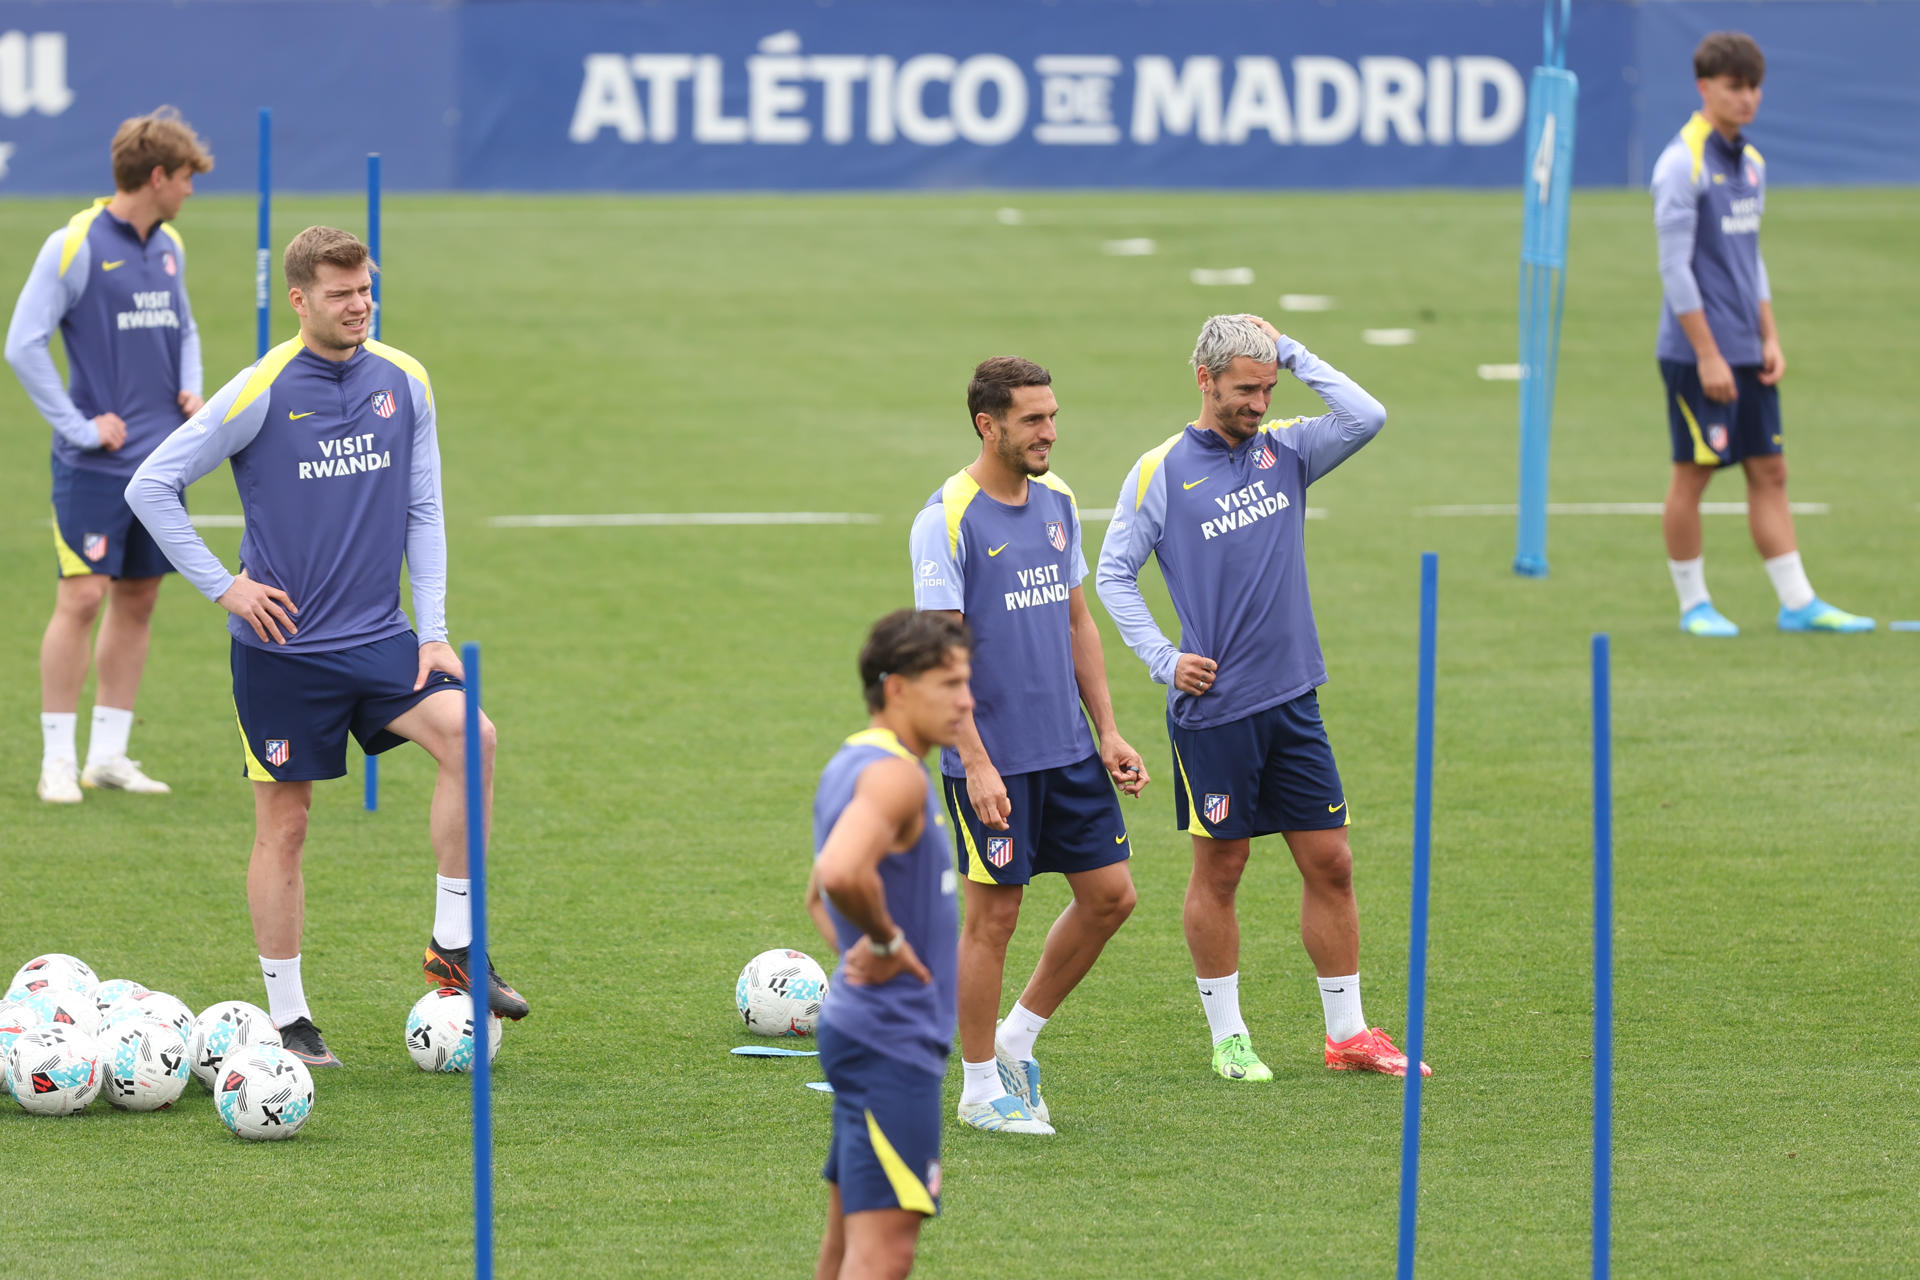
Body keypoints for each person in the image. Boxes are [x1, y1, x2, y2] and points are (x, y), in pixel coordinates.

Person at [125, 226, 527, 1068]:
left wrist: (436, 628)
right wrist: (224, 586)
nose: (359, 306)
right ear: (301, 298)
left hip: (384, 639)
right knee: (288, 825)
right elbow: (151, 484)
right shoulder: (260, 389)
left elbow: (425, 510)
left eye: (367, 291)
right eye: (342, 294)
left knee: (474, 737)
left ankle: (453, 943)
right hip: (284, 653)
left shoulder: (404, 380)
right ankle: (289, 1016)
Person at [1096, 313, 1427, 1082]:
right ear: (1204, 381)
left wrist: (1296, 352)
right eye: (1246, 389)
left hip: (1294, 700)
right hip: (1215, 714)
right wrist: (1163, 658)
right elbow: (1112, 573)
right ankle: (1229, 1039)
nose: (1259, 403)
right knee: (1223, 869)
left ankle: (1346, 1033)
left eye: (1269, 388)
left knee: (1332, 862)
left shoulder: (1287, 449)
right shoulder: (1160, 472)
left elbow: (1367, 416)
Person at [907, 356, 1146, 1135]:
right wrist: (973, 761)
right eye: (1034, 420)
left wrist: (1107, 729)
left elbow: (1078, 620)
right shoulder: (946, 517)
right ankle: (980, 1090)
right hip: (993, 756)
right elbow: (940, 661)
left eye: (1053, 416)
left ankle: (1017, 1039)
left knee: (1112, 897)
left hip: (1068, 749)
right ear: (989, 424)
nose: (1050, 432)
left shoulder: (1060, 500)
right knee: (995, 920)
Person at [5, 107, 213, 803]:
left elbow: (185, 328)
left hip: (162, 465)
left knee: (140, 597)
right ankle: (58, 759)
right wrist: (80, 425)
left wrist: (191, 387)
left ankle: (110, 755)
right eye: (186, 179)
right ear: (157, 176)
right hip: (95, 466)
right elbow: (22, 343)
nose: (191, 191)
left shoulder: (170, 246)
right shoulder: (74, 245)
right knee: (83, 596)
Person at [1653, 31, 1872, 636]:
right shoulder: (1681, 163)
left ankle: (1797, 601)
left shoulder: (1751, 164)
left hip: (1747, 349)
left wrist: (1768, 336)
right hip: (1697, 355)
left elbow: (1751, 262)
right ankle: (1693, 605)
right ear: (1705, 88)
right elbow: (1674, 268)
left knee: (1770, 470)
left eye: (1754, 87)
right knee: (1693, 473)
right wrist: (1708, 354)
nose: (1747, 98)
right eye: (1734, 87)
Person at [811, 610, 972, 1280]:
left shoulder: (851, 763)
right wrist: (884, 942)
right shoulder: (897, 777)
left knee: (846, 1245)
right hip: (891, 1042)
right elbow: (843, 874)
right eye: (949, 683)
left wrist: (863, 947)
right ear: (898, 689)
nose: (966, 700)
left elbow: (820, 895)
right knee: (885, 1255)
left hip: (861, 1030)